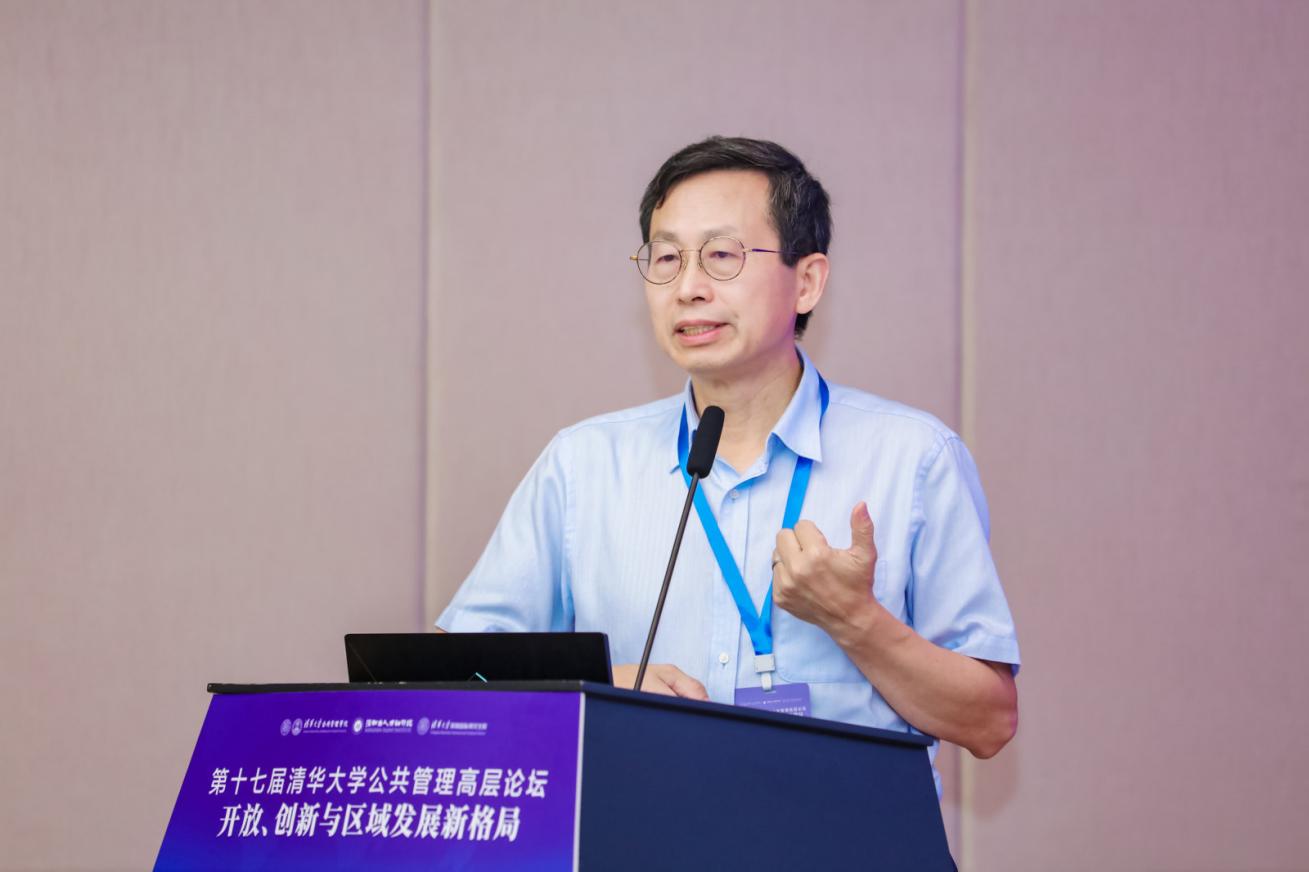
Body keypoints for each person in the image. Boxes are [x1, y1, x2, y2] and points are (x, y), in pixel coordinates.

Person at [437, 136, 1019, 780]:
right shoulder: (583, 466)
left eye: (721, 256)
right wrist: (594, 686)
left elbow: (989, 722)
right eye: (666, 258)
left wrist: (856, 621)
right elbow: (444, 680)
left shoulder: (914, 459)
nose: (687, 287)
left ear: (806, 282)